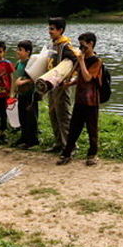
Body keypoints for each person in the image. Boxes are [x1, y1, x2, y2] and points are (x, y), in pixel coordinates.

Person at [57, 31, 103, 166]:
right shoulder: (81, 60)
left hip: (91, 101)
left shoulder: (96, 61)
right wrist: (69, 83)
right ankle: (67, 153)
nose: (81, 48)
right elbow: (80, 77)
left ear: (91, 44)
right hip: (80, 99)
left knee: (92, 129)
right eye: (80, 46)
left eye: (83, 45)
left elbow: (88, 77)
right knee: (74, 128)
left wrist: (81, 61)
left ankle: (92, 154)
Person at [45, 16, 78, 153]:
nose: (49, 31)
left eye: (52, 29)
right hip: (51, 86)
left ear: (60, 30)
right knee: (53, 114)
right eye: (49, 28)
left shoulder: (66, 46)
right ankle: (59, 143)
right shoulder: (53, 44)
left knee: (64, 116)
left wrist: (69, 79)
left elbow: (77, 61)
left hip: (61, 87)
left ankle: (70, 146)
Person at [12, 39, 40, 148]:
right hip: (21, 94)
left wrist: (22, 81)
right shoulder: (19, 63)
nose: (17, 52)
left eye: (20, 50)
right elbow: (16, 76)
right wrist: (15, 90)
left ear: (28, 52)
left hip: (30, 95)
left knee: (31, 118)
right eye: (17, 49)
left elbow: (35, 78)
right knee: (22, 116)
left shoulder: (31, 63)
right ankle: (24, 137)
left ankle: (32, 140)